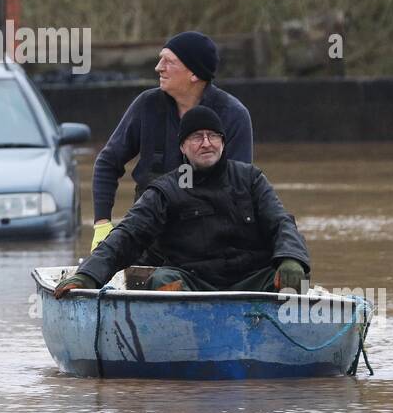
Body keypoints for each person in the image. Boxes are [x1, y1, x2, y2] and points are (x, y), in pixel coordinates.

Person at [54, 106, 307, 297]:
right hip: (193, 286)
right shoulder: (166, 189)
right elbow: (127, 235)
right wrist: (88, 275)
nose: (206, 143)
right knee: (160, 280)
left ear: (222, 142)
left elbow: (281, 223)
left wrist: (291, 258)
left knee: (294, 275)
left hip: (250, 282)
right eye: (197, 137)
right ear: (183, 148)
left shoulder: (250, 178)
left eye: (213, 136)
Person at [90, 31, 253, 253]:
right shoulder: (146, 105)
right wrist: (102, 223)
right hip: (147, 231)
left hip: (207, 236)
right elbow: (108, 163)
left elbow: (238, 189)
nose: (158, 67)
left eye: (168, 61)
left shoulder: (234, 115)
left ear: (194, 74)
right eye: (160, 59)